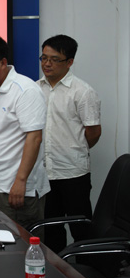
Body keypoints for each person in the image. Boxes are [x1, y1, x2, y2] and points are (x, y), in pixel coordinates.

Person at [0, 35, 49, 227]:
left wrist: (21, 181)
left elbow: (34, 138)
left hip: (18, 187)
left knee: (20, 242)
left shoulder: (25, 90)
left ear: (3, 63)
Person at [37, 34, 101, 253]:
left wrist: (73, 150)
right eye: (44, 58)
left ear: (70, 62)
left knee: (81, 227)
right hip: (44, 173)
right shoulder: (35, 89)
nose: (47, 64)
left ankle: (87, 268)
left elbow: (93, 132)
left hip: (73, 172)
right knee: (51, 228)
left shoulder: (82, 91)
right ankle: (56, 268)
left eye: (54, 59)